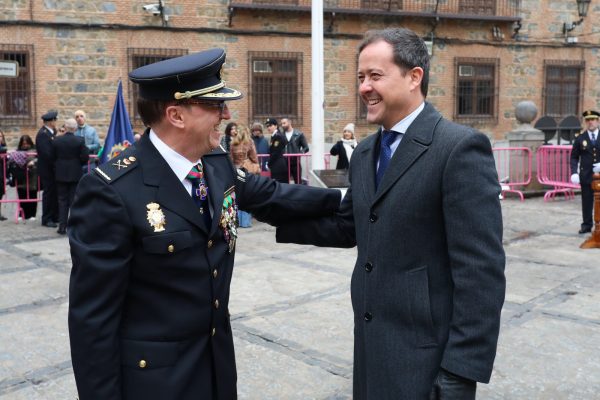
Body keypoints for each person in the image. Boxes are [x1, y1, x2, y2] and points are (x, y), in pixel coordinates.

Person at [67, 48, 341, 400]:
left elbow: (268, 195)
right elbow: (93, 322)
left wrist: (347, 199)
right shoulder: (112, 191)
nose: (226, 114)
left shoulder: (213, 163)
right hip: (155, 385)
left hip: (215, 370)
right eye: (214, 105)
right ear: (176, 115)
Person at [276, 27, 506, 400]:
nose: (364, 87)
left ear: (414, 76)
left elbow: (481, 272)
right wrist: (269, 209)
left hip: (426, 362)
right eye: (361, 77)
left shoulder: (458, 149)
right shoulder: (366, 152)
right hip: (372, 352)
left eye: (375, 76)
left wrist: (460, 372)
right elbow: (349, 225)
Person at [51, 118, 89, 235]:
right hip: (75, 173)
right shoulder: (80, 140)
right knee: (73, 200)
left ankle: (62, 226)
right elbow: (85, 157)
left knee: (62, 200)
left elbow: (52, 157)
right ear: (75, 128)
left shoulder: (57, 141)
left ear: (66, 128)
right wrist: (77, 164)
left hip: (60, 173)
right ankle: (73, 226)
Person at [570, 109, 600, 234]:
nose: (590, 122)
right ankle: (586, 225)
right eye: (587, 120)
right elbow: (574, 157)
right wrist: (574, 172)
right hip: (586, 175)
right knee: (586, 201)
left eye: (592, 120)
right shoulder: (580, 138)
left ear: (598, 121)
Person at [230, 124, 260, 228]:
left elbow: (230, 159)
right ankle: (246, 222)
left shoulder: (233, 143)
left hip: (235, 170)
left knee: (237, 195)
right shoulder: (249, 142)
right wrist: (256, 165)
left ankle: (236, 221)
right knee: (247, 194)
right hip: (246, 170)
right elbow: (254, 157)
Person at [35, 110, 59, 228]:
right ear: (51, 121)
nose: (56, 122)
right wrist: (57, 162)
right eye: (55, 120)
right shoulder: (43, 134)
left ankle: (54, 216)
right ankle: (47, 218)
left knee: (54, 193)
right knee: (49, 193)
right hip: (47, 169)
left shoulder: (51, 132)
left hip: (52, 169)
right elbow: (47, 154)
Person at [8, 135, 38, 220]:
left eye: (26, 143)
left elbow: (38, 158)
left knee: (32, 195)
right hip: (20, 176)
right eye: (23, 143)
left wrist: (33, 161)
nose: (25, 145)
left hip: (32, 176)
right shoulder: (17, 151)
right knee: (22, 195)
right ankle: (22, 214)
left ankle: (32, 214)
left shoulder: (34, 150)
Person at [280, 117, 309, 184]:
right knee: (285, 183)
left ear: (289, 122)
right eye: (281, 124)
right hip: (284, 163)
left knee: (298, 182)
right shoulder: (281, 135)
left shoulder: (299, 134)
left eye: (284, 123)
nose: (282, 125)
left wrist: (299, 153)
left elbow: (306, 148)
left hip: (295, 163)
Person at [266, 118, 288, 183]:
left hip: (278, 165)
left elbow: (275, 152)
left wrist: (268, 163)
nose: (268, 128)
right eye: (267, 126)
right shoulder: (274, 136)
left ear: (276, 126)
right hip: (275, 165)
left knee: (279, 187)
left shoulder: (278, 136)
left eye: (270, 125)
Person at [0, 128, 7, 221]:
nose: (0, 138)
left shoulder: (3, 147)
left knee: (0, 193)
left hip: (1, 173)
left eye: (0, 136)